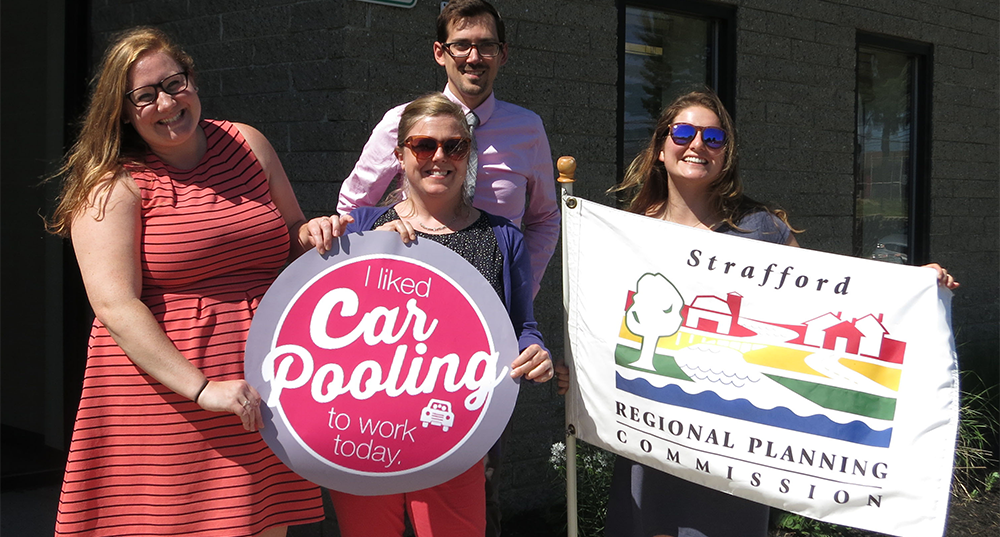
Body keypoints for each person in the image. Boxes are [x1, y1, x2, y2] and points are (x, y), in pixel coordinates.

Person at [554, 89, 959, 537]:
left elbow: (826, 300)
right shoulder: (629, 230)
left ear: (727, 154)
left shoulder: (761, 229)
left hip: (732, 446)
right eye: (684, 132)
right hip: (656, 433)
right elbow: (606, 323)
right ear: (660, 147)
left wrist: (910, 287)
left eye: (714, 137)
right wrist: (579, 368)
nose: (697, 145)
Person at [48, 27, 352, 537]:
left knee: (263, 523)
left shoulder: (247, 143)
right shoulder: (113, 184)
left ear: (193, 78)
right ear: (122, 112)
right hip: (166, 397)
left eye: (174, 82)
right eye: (145, 96)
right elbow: (115, 306)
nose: (166, 102)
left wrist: (314, 231)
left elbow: (292, 238)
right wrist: (203, 389)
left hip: (261, 385)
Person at [328, 92, 554, 537]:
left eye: (455, 146)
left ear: (469, 154)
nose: (439, 157)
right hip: (364, 428)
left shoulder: (502, 236)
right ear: (399, 154)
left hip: (450, 429)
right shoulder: (361, 228)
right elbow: (322, 323)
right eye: (423, 145)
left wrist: (536, 351)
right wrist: (361, 245)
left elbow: (521, 326)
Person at [337, 0, 559, 299]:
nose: (474, 57)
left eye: (487, 45)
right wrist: (372, 249)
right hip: (411, 292)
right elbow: (352, 208)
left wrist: (521, 289)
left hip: (492, 301)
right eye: (461, 46)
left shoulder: (528, 129)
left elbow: (544, 218)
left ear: (503, 54)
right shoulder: (401, 122)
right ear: (440, 53)